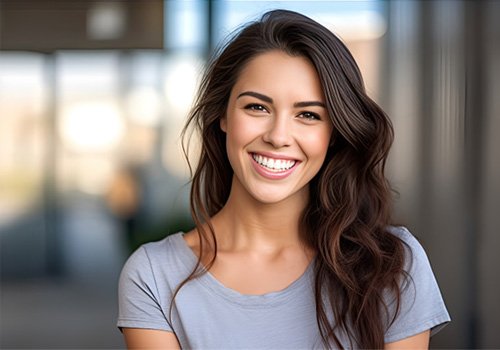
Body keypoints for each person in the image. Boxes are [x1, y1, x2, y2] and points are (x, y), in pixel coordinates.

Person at [117, 9, 450, 349]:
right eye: (257, 108)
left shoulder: (391, 264)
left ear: (333, 134)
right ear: (223, 115)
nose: (278, 136)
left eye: (308, 115)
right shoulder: (155, 275)